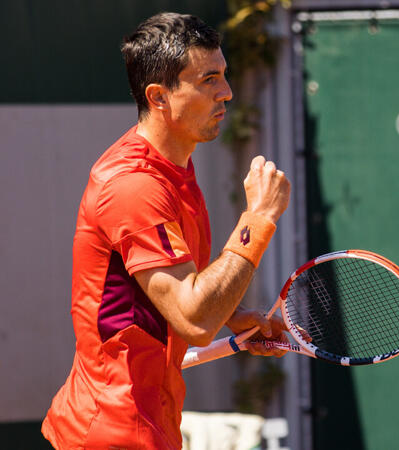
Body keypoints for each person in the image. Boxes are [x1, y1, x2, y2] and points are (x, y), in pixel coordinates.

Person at [41, 12, 290, 449]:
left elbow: (170, 285)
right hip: (113, 433)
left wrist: (231, 316)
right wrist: (259, 219)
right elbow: (193, 318)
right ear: (159, 96)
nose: (227, 93)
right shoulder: (134, 185)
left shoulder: (174, 169)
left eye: (224, 75)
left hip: (149, 421)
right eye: (208, 79)